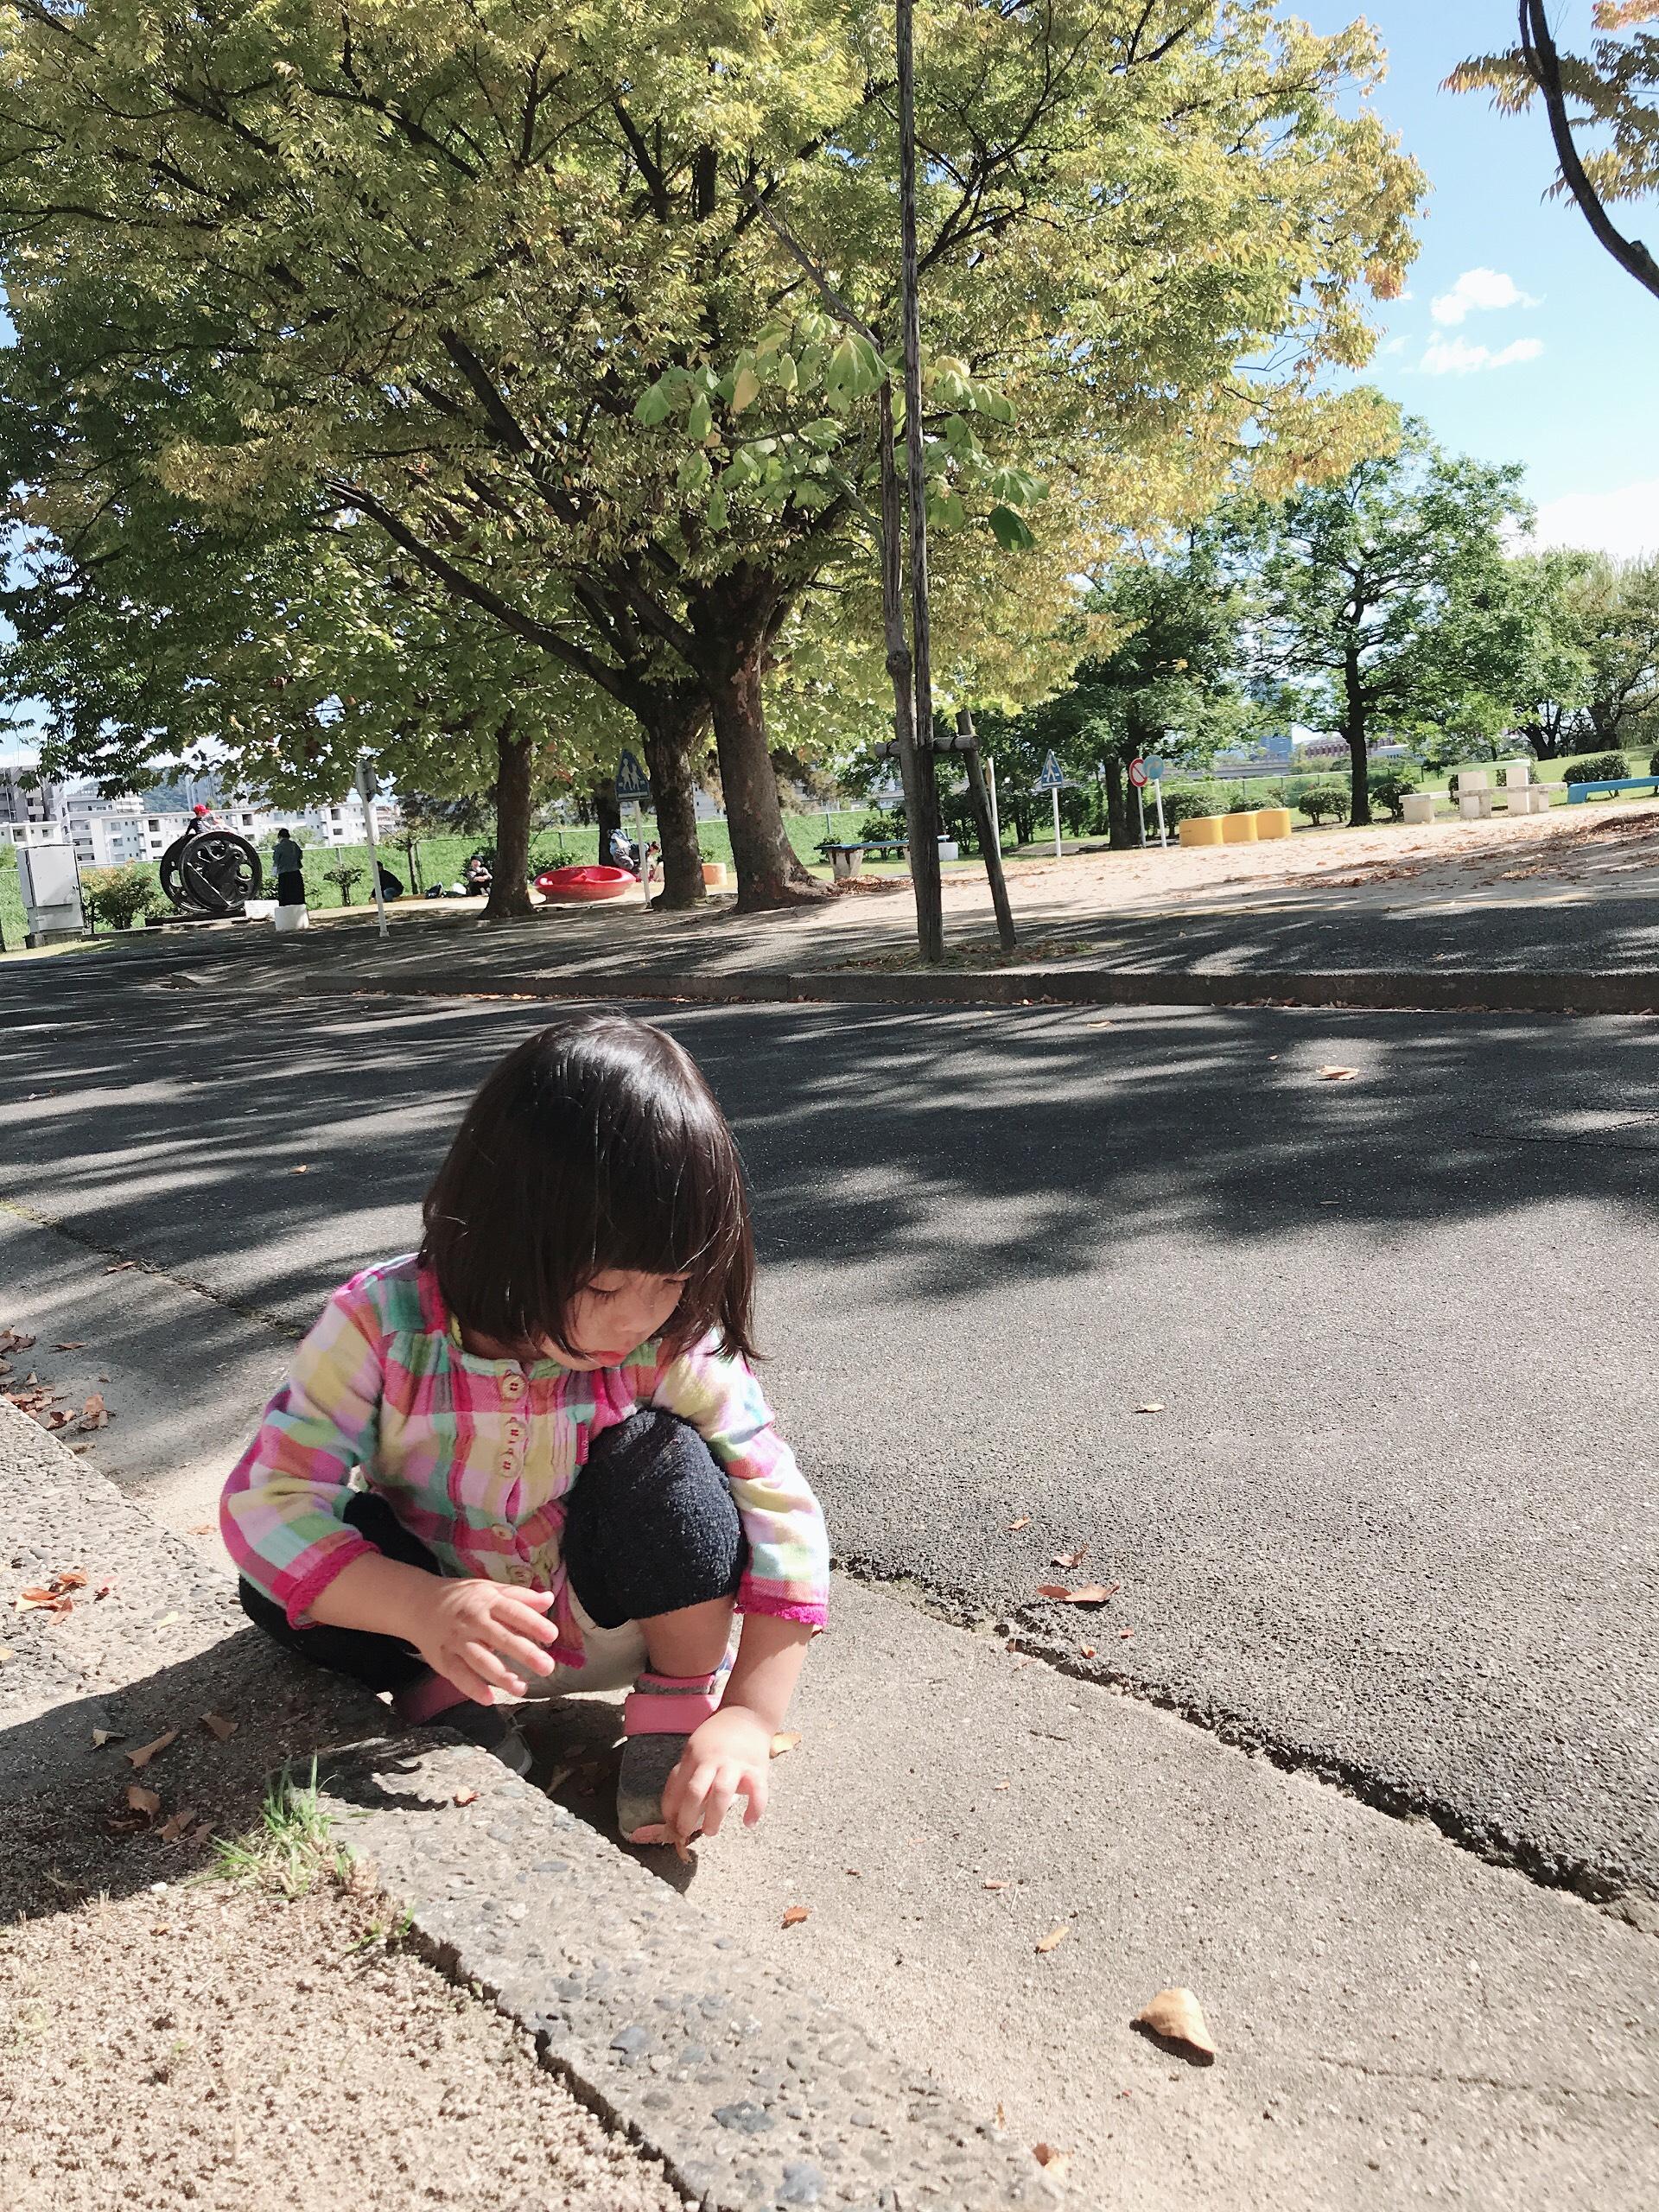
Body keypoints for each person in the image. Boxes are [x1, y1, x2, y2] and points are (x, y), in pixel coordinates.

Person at [221, 1015, 827, 1849]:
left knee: (664, 1463)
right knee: (272, 1582)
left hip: (619, 1623)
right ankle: (443, 1694)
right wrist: (421, 1606)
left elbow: (780, 1507)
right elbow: (268, 1499)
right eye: (608, 1286)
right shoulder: (381, 1324)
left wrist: (750, 1714)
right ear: (505, 1234)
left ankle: (676, 1705)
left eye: (674, 1282)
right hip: (440, 1624)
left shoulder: (669, 1338)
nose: (640, 1319)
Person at [271, 827, 306, 906]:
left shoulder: (279, 847)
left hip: (284, 874)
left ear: (279, 837)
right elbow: (300, 856)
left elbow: (276, 861)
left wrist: (273, 874)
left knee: (286, 897)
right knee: (297, 896)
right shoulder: (294, 845)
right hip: (296, 873)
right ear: (289, 836)